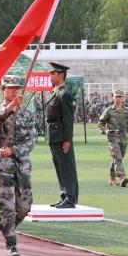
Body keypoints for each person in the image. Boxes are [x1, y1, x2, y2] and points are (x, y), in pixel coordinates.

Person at [0, 76, 37, 256]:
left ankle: (7, 227)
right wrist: (9, 108)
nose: (15, 91)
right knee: (7, 206)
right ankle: (11, 243)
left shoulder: (27, 114)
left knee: (24, 207)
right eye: (11, 88)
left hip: (22, 165)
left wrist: (14, 150)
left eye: (18, 88)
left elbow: (32, 139)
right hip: (3, 166)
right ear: (3, 90)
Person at [44, 62, 78, 208]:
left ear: (61, 75)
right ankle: (64, 195)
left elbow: (68, 119)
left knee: (66, 167)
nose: (50, 76)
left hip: (61, 135)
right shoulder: (55, 92)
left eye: (53, 73)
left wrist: (67, 139)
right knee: (59, 166)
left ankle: (70, 198)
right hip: (53, 134)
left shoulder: (64, 93)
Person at [98, 91, 128, 187]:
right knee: (117, 157)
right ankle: (122, 177)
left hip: (123, 137)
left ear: (123, 98)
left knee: (119, 157)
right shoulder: (108, 110)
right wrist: (106, 130)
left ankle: (112, 176)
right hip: (112, 137)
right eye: (116, 97)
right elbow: (100, 123)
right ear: (113, 98)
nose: (118, 99)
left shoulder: (127, 111)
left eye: (120, 97)